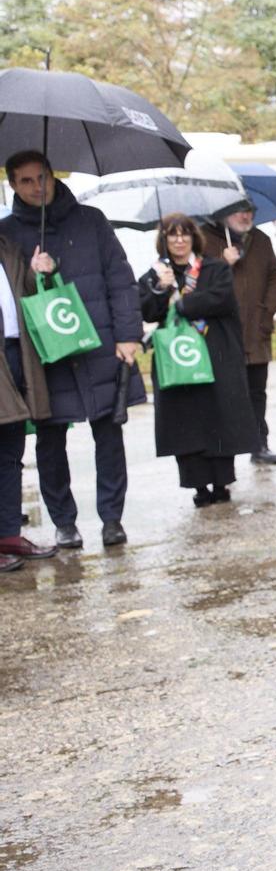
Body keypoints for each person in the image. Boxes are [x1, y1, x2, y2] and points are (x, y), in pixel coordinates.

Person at [0, 151, 144, 551]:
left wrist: (128, 334)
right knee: (50, 440)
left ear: (52, 175)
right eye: (25, 181)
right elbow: (9, 299)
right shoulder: (6, 234)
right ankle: (64, 522)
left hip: (99, 344)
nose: (36, 187)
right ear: (13, 185)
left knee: (109, 431)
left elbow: (120, 278)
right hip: (45, 354)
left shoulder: (91, 220)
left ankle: (112, 517)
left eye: (41, 177)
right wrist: (32, 272)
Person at [137, 214, 258, 506]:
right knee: (186, 421)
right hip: (176, 359)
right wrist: (159, 290)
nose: (179, 240)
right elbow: (146, 312)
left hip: (214, 353)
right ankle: (198, 486)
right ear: (163, 241)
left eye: (185, 234)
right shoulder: (155, 275)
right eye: (172, 235)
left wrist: (181, 302)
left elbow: (222, 299)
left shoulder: (214, 268)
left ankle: (220, 483)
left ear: (194, 237)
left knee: (217, 416)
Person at [205, 201, 276, 465]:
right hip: (222, 333)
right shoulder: (205, 239)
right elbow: (198, 283)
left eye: (250, 209)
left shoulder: (260, 239)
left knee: (256, 391)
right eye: (240, 210)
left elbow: (275, 275)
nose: (246, 215)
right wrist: (222, 263)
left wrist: (268, 310)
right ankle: (223, 449)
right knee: (225, 393)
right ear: (223, 212)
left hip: (256, 329)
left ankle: (258, 444)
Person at [0, 226, 53, 571]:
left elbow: (25, 295)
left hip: (16, 354)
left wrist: (36, 273)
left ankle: (8, 535)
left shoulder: (7, 246)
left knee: (10, 452)